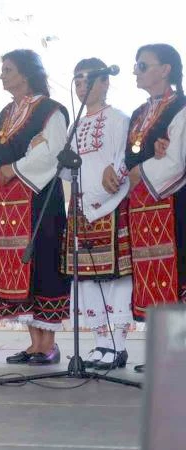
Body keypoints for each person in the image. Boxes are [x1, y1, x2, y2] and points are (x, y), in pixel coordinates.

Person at [105, 44, 186, 373]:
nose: (135, 71)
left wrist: (145, 169)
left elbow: (177, 159)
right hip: (143, 204)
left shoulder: (181, 107)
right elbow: (131, 155)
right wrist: (119, 170)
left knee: (176, 272)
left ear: (165, 69)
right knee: (152, 275)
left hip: (173, 201)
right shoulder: (140, 112)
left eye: (142, 65)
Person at [0, 50, 71, 365]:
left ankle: (48, 343)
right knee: (17, 266)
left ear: (25, 74)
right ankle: (33, 342)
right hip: (9, 204)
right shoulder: (5, 114)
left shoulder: (51, 110)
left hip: (39, 199)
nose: (3, 75)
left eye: (8, 69)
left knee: (43, 263)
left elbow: (53, 152)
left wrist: (17, 167)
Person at [62, 59, 133, 370]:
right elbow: (66, 170)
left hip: (113, 204)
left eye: (88, 80)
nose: (81, 86)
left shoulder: (119, 119)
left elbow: (123, 158)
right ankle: (99, 344)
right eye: (77, 80)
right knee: (87, 279)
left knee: (115, 277)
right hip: (80, 207)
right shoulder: (74, 125)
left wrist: (113, 175)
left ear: (104, 83)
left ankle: (118, 344)